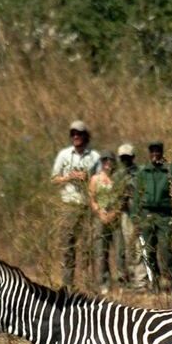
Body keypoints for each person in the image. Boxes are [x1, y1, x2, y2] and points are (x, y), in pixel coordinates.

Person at [50, 120, 102, 287]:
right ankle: (68, 285)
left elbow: (102, 180)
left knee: (88, 246)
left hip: (87, 206)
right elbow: (53, 179)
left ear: (86, 136)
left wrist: (88, 179)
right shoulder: (64, 155)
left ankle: (88, 283)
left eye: (79, 134)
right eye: (73, 134)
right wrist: (69, 177)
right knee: (68, 246)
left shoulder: (94, 157)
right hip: (69, 205)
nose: (76, 137)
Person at [134, 140, 172, 291]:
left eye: (158, 151)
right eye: (152, 151)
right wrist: (135, 218)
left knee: (166, 249)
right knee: (148, 251)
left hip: (165, 215)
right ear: (149, 153)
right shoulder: (143, 173)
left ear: (162, 153)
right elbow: (137, 195)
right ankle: (154, 283)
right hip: (147, 215)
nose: (155, 154)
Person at [88, 154, 122, 293]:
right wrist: (100, 212)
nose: (108, 163)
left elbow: (121, 198)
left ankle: (122, 283)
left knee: (120, 250)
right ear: (102, 162)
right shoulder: (95, 178)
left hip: (115, 217)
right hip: (100, 217)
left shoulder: (118, 179)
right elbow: (91, 198)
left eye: (110, 160)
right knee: (101, 251)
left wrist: (114, 213)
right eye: (105, 160)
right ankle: (104, 284)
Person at [114, 143, 143, 288]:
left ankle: (141, 281)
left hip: (138, 213)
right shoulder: (118, 175)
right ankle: (132, 280)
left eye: (128, 157)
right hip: (124, 214)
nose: (125, 161)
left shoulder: (141, 173)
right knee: (128, 248)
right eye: (123, 158)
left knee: (138, 247)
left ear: (133, 157)